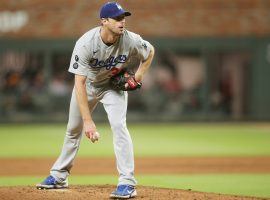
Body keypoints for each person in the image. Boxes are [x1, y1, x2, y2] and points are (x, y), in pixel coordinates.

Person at [36, 2, 155, 199]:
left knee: (119, 126)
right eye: (117, 18)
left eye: (123, 17)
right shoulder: (85, 43)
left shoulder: (130, 39)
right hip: (88, 87)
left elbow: (149, 51)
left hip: (112, 88)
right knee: (73, 130)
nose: (122, 21)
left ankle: (127, 182)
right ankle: (59, 177)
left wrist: (138, 77)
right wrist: (88, 121)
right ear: (104, 21)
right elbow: (79, 83)